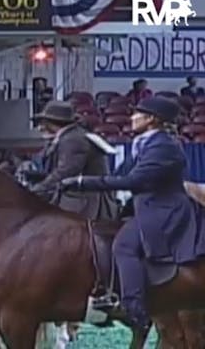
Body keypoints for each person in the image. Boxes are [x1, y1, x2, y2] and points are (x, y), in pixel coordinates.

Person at [60, 97, 205, 330]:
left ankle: (134, 308)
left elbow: (135, 180)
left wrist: (82, 182)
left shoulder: (164, 146)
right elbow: (121, 172)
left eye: (138, 114)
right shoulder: (144, 143)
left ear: (151, 120)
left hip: (165, 209)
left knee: (124, 245)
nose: (132, 117)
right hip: (145, 206)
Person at [28, 101, 119, 219]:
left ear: (51, 123)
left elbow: (65, 172)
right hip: (78, 196)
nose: (40, 128)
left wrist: (36, 190)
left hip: (85, 200)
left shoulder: (74, 139)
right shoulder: (69, 136)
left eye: (43, 123)